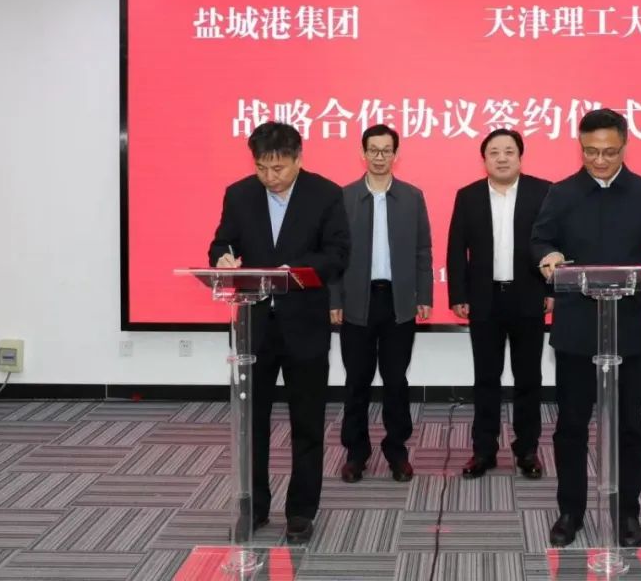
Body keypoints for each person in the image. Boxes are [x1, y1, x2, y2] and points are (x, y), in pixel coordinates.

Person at [532, 108, 641, 548]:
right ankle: (570, 511)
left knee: (629, 426)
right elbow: (540, 239)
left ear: (624, 146)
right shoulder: (562, 192)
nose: (599, 160)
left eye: (609, 152)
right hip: (577, 329)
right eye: (591, 151)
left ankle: (627, 513)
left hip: (627, 329)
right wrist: (547, 257)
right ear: (580, 146)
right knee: (571, 425)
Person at [208, 121, 350, 544]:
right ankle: (254, 507)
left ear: (298, 159)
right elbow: (221, 243)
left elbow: (338, 253)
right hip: (253, 328)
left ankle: (301, 511)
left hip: (304, 325)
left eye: (279, 168)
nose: (270, 177)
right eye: (262, 168)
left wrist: (296, 271)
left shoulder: (325, 193)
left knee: (307, 423)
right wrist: (223, 259)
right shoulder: (239, 194)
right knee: (252, 424)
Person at [447, 128, 552, 480]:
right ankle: (483, 450)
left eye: (509, 151)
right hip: (484, 299)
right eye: (494, 152)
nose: (502, 158)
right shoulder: (468, 195)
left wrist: (553, 290)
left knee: (529, 378)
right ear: (484, 159)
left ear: (521, 157)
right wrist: (458, 295)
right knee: (486, 378)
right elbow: (456, 249)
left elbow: (555, 243)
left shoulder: (543, 192)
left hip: (530, 296)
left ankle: (527, 450)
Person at [331, 124, 433, 483]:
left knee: (395, 381)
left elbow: (423, 251)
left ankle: (397, 452)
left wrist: (425, 295)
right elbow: (334, 255)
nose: (379, 156)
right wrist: (334, 298)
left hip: (398, 303)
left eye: (385, 150)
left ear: (395, 154)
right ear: (363, 154)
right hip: (356, 303)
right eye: (373, 150)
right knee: (356, 381)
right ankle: (356, 454)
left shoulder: (412, 196)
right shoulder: (344, 197)